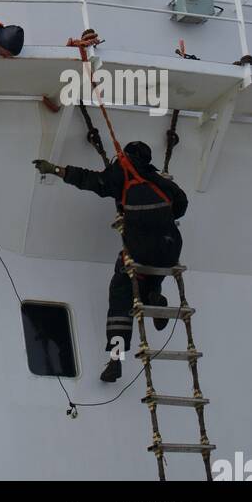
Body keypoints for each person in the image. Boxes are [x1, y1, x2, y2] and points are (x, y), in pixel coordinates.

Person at [33, 142, 187, 382]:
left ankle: (116, 360)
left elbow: (90, 180)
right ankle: (153, 298)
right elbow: (182, 204)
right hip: (170, 249)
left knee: (120, 297)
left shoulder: (121, 174)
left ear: (126, 156)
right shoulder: (157, 179)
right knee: (150, 278)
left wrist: (55, 169)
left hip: (140, 251)